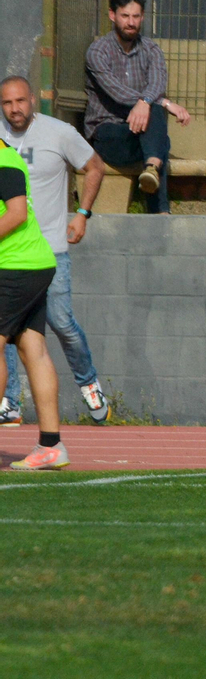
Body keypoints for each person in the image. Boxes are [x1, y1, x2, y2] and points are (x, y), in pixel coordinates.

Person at [0, 76, 109, 426]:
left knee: (61, 322)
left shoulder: (59, 132)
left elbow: (95, 166)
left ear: (33, 99)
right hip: (10, 253)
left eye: (20, 101)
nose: (14, 109)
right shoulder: (0, 140)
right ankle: (11, 402)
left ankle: (88, 381)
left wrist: (83, 213)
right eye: (7, 103)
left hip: (50, 248)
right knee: (10, 332)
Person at [83, 0, 193, 215]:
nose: (131, 22)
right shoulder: (97, 52)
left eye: (136, 16)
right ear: (112, 15)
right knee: (160, 136)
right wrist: (158, 102)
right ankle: (160, 212)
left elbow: (158, 83)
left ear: (142, 17)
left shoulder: (151, 49)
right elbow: (116, 91)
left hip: (141, 133)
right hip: (108, 132)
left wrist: (147, 102)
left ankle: (151, 168)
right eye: (125, 16)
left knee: (155, 131)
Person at [0, 133, 70, 469]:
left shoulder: (4, 161)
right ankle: (51, 446)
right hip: (30, 264)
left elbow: (17, 214)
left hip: (15, 267)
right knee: (33, 348)